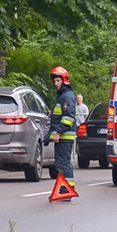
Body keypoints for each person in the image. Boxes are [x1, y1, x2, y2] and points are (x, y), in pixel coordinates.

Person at [49, 66, 77, 195]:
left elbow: (68, 118)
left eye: (58, 81)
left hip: (64, 136)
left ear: (64, 80)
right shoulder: (63, 96)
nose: (55, 84)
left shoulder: (66, 96)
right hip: (62, 137)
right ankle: (65, 188)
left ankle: (67, 189)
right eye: (54, 81)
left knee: (64, 163)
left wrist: (59, 132)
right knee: (61, 164)